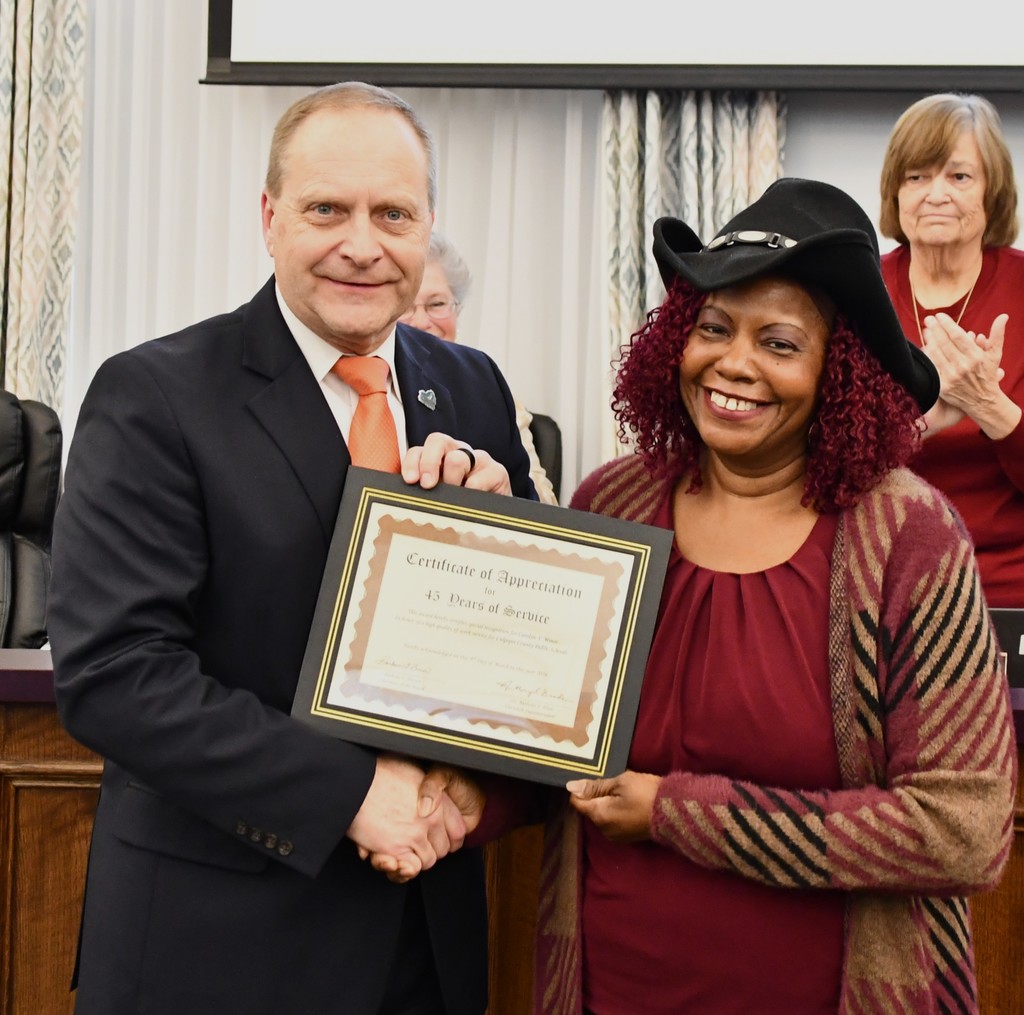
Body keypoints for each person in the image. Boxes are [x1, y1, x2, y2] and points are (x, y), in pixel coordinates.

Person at [46, 81, 535, 1015]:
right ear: (270, 219)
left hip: (424, 948)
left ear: (426, 224)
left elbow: (509, 674)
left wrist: (506, 538)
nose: (362, 243)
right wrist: (350, 791)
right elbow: (115, 672)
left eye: (393, 212)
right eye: (327, 209)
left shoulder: (472, 389)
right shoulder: (154, 395)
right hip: (217, 952)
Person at [527, 179, 1015, 1014]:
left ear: (841, 371)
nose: (735, 363)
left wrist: (679, 814)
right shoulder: (611, 503)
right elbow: (538, 738)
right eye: (712, 327)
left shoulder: (909, 538)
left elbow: (963, 830)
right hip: (612, 985)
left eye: (780, 342)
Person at [878, 92, 1024, 607]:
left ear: (993, 192)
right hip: (884, 585)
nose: (935, 193)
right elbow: (817, 469)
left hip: (1007, 592)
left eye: (959, 177)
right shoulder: (856, 295)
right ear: (895, 192)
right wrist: (924, 423)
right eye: (916, 177)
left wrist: (991, 407)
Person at [400, 231, 560, 504]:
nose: (421, 321)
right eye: (406, 305)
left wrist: (504, 496)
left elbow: (545, 510)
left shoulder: (490, 394)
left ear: (457, 309)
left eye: (437, 304)